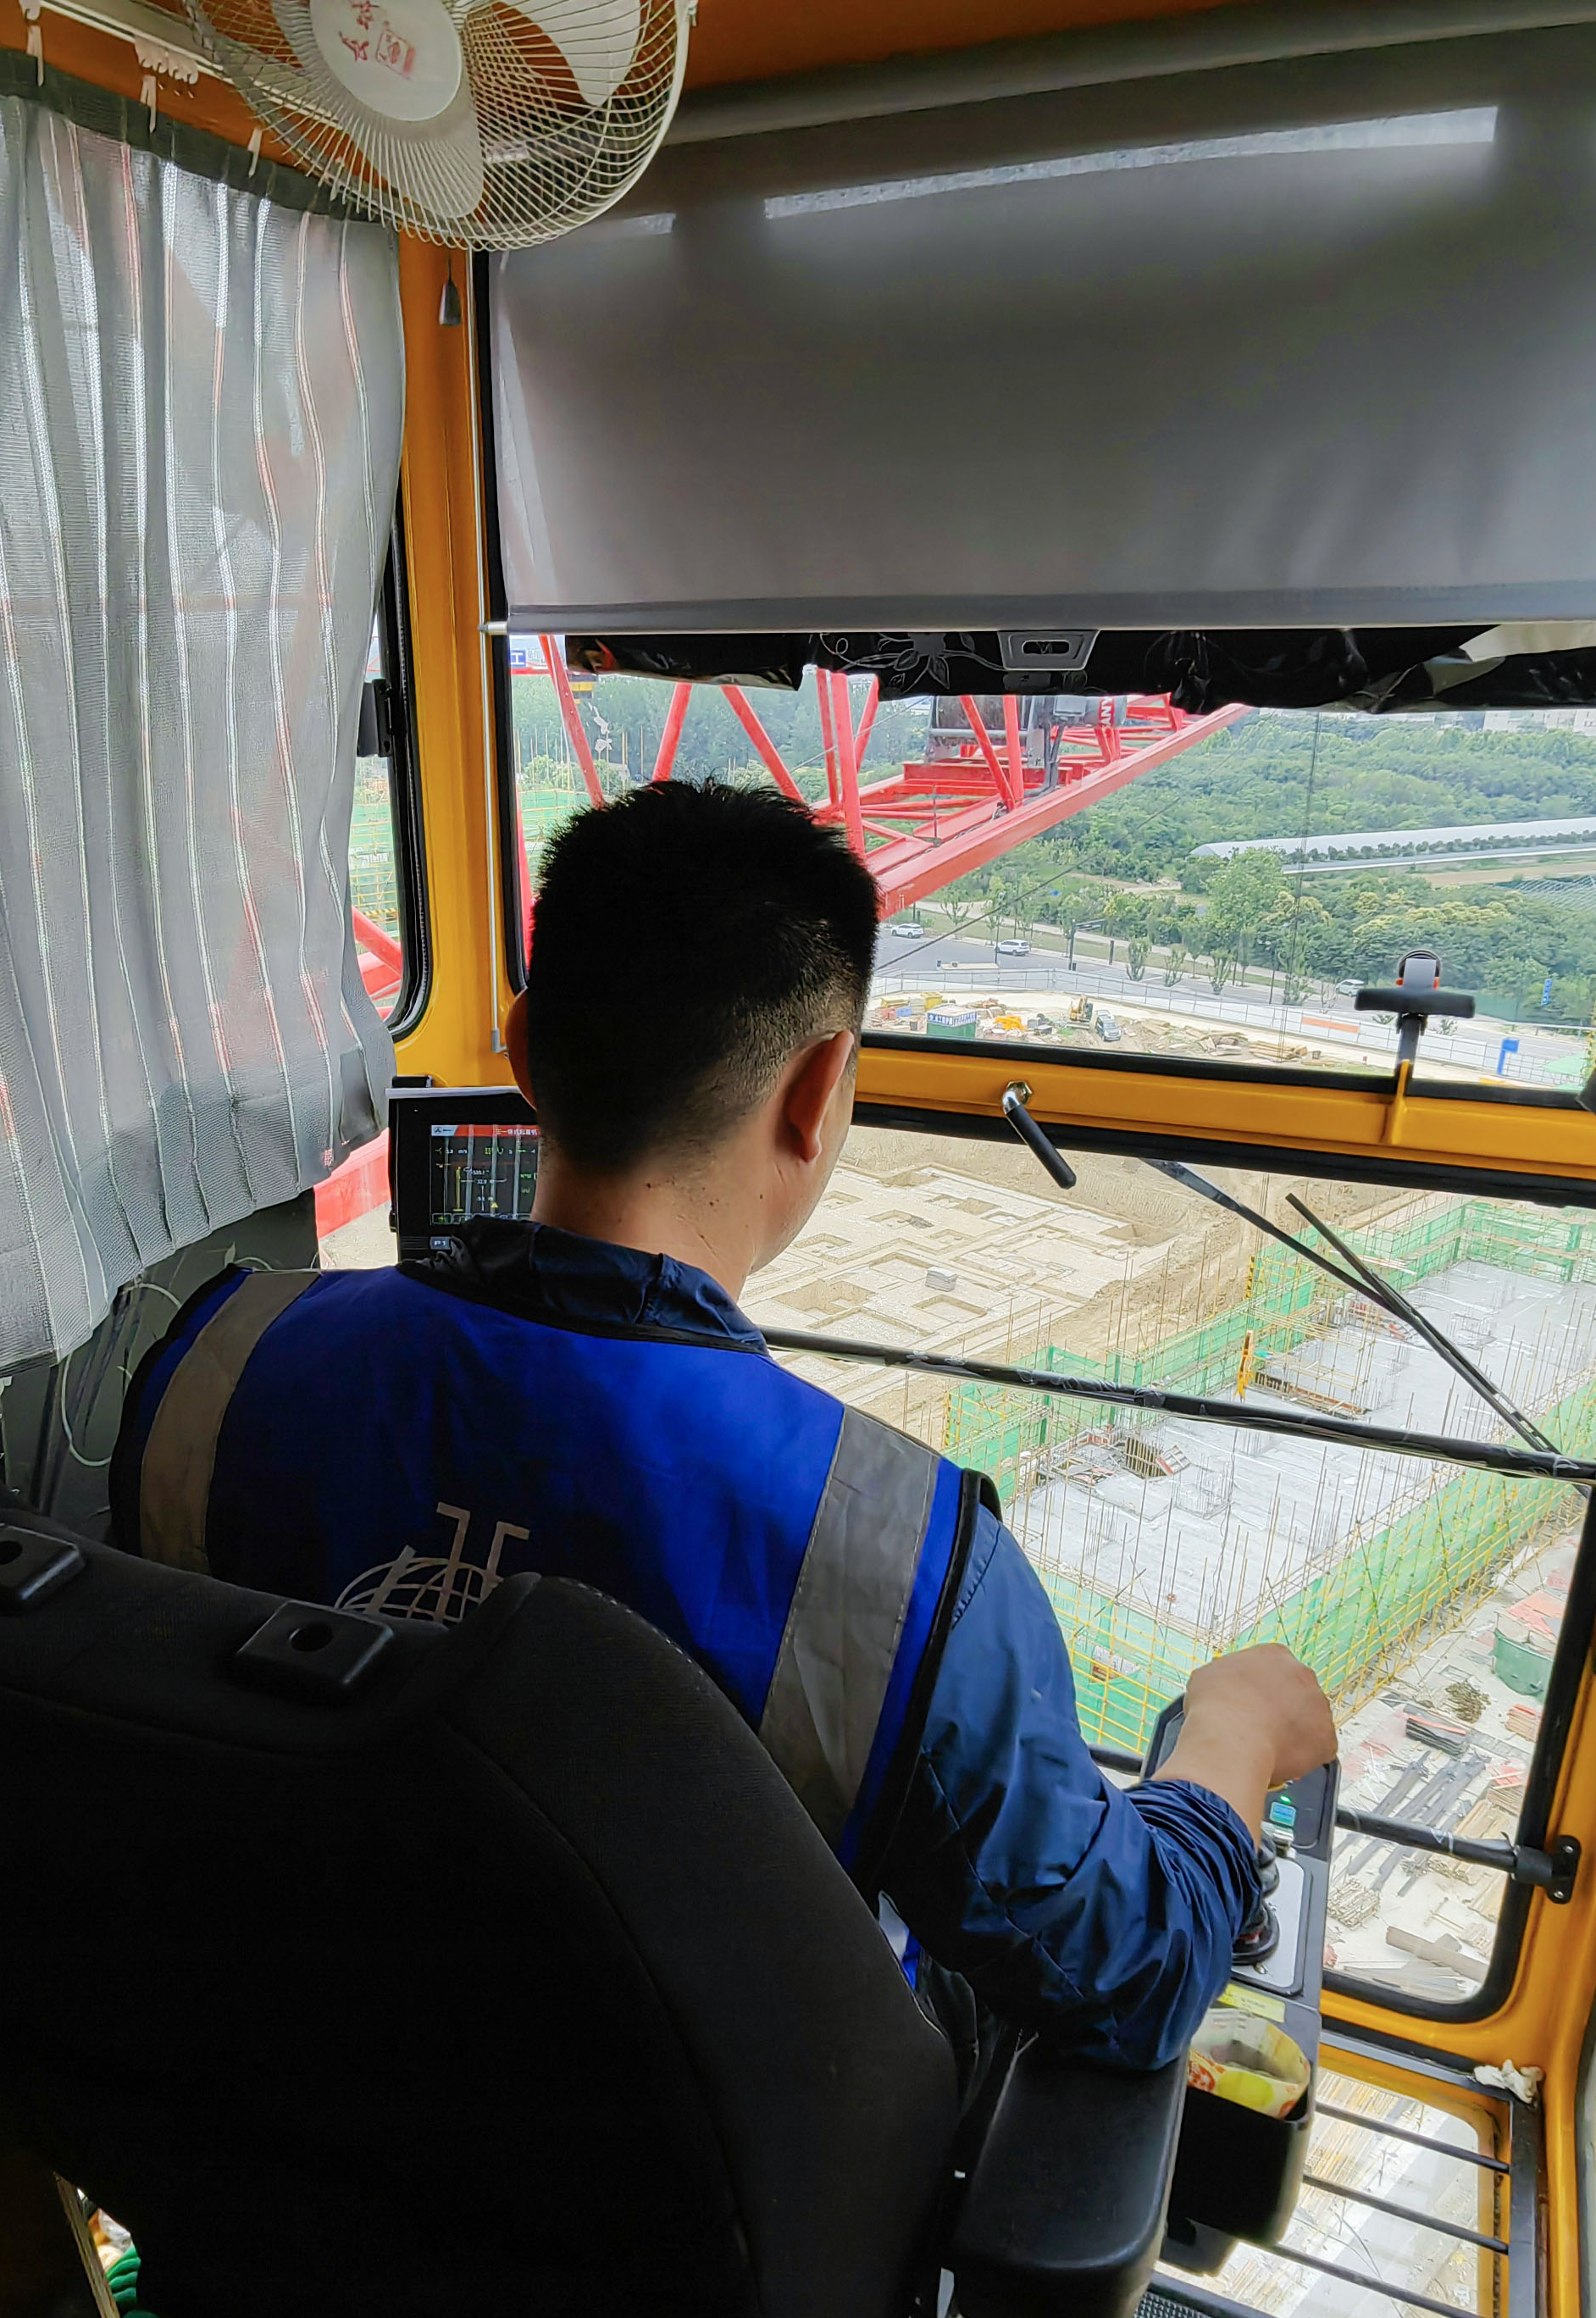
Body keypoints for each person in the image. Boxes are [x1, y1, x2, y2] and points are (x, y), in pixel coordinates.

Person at [113, 779, 1337, 2070]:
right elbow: (1119, 1975)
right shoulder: (899, 1558)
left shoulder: (222, 1359)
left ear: (522, 1051)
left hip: (280, 2075)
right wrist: (1234, 1739)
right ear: (817, 1091)